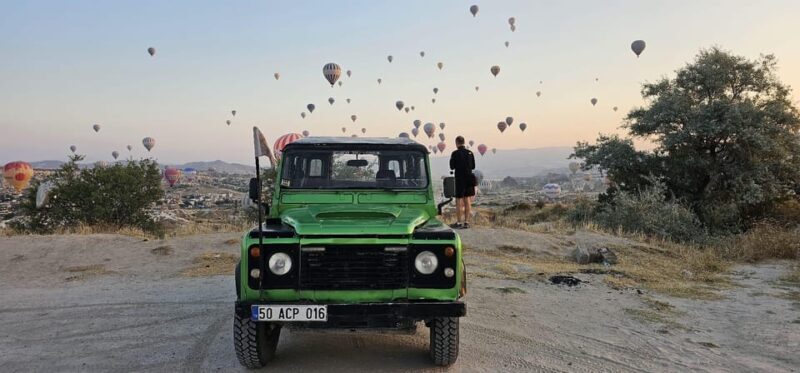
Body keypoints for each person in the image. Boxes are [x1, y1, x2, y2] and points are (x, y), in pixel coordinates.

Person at [449, 136, 476, 229]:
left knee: (459, 201)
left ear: (457, 143)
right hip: (469, 178)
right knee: (467, 200)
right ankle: (467, 222)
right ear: (464, 142)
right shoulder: (470, 153)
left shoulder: (455, 153)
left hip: (459, 179)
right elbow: (473, 167)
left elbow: (452, 167)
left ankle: (459, 222)